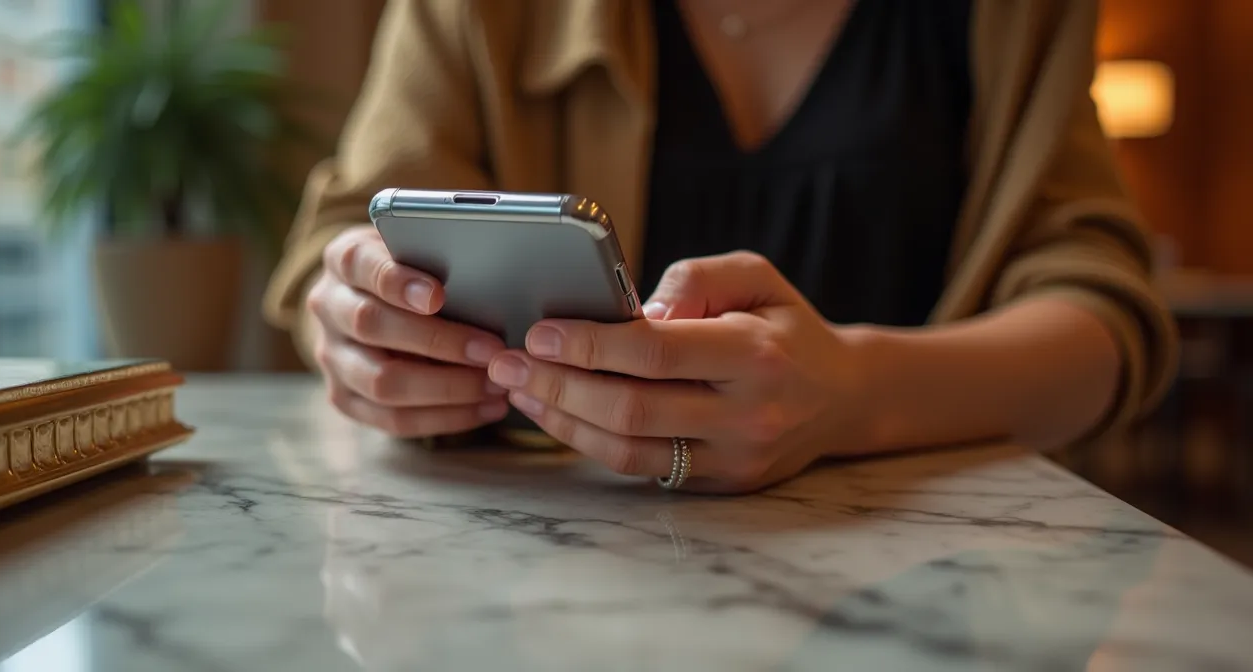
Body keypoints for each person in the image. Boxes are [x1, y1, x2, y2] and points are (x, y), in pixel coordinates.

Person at [262, 0, 1178, 494]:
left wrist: (856, 393)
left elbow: (1105, 322)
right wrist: (352, 320)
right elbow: (335, 244)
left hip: (940, 602)